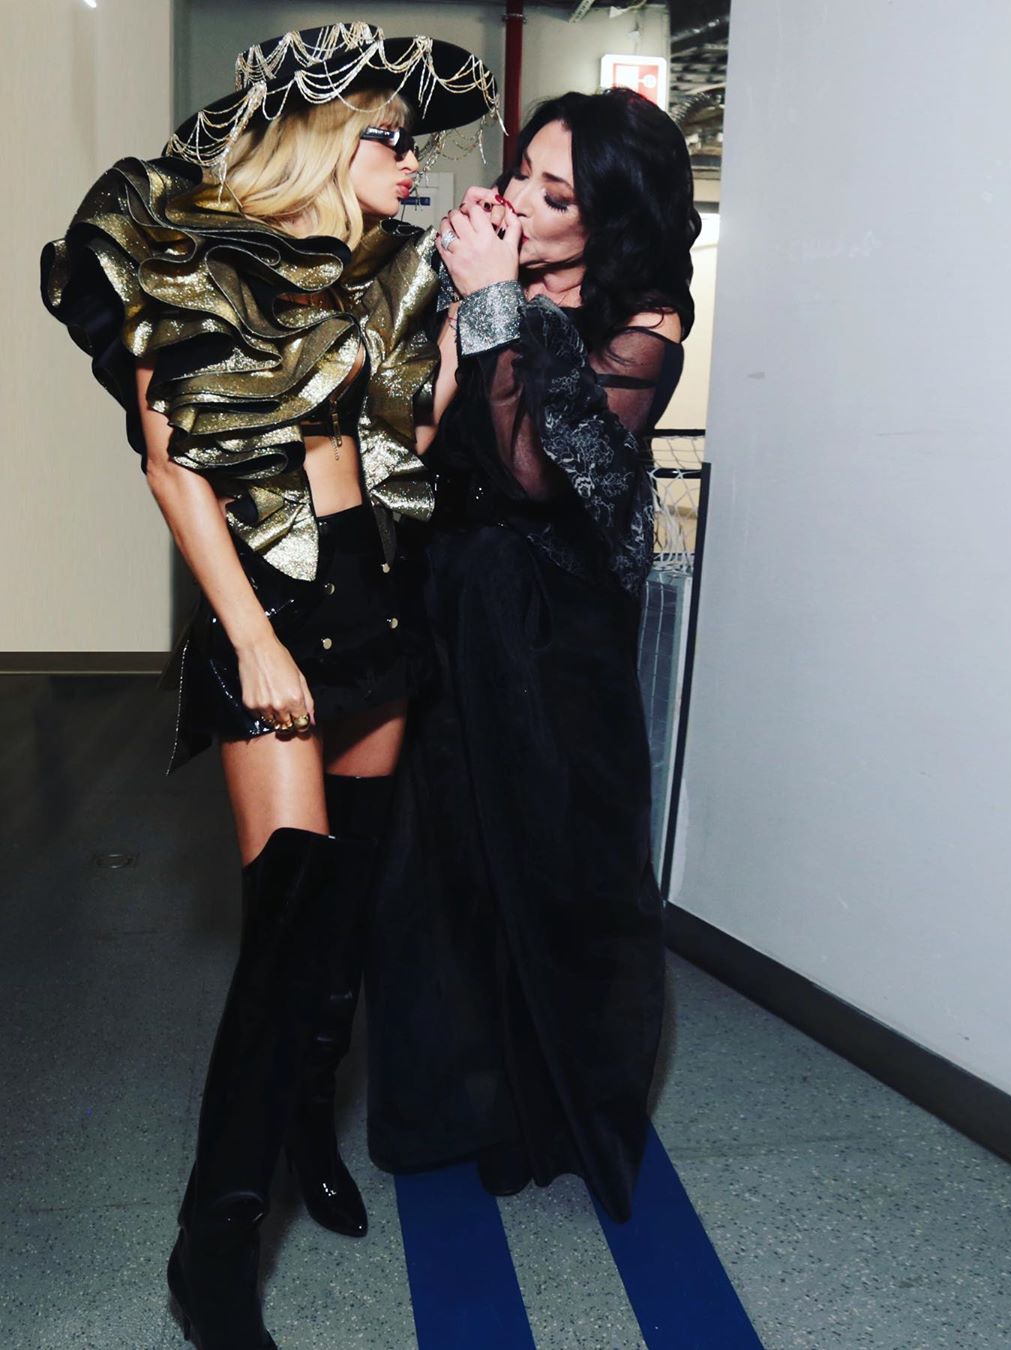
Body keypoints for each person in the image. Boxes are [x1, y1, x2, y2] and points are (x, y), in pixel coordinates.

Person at [41, 22, 497, 1348]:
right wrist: (248, 639)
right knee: (292, 918)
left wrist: (477, 313)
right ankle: (217, 1239)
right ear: (323, 140)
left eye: (413, 142)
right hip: (272, 609)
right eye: (389, 138)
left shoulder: (388, 270)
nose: (411, 162)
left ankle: (307, 1129)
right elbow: (170, 464)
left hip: (377, 596)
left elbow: (421, 436)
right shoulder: (192, 255)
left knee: (340, 924)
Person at [365, 88, 700, 1223]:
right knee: (442, 851)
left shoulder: (643, 320)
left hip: (555, 623)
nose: (519, 199)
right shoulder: (469, 273)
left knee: (558, 852)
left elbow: (534, 474)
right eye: (522, 172)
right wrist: (446, 312)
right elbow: (414, 437)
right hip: (450, 594)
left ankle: (553, 1109)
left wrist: (494, 303)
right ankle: (448, 1108)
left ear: (609, 221)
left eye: (557, 195)